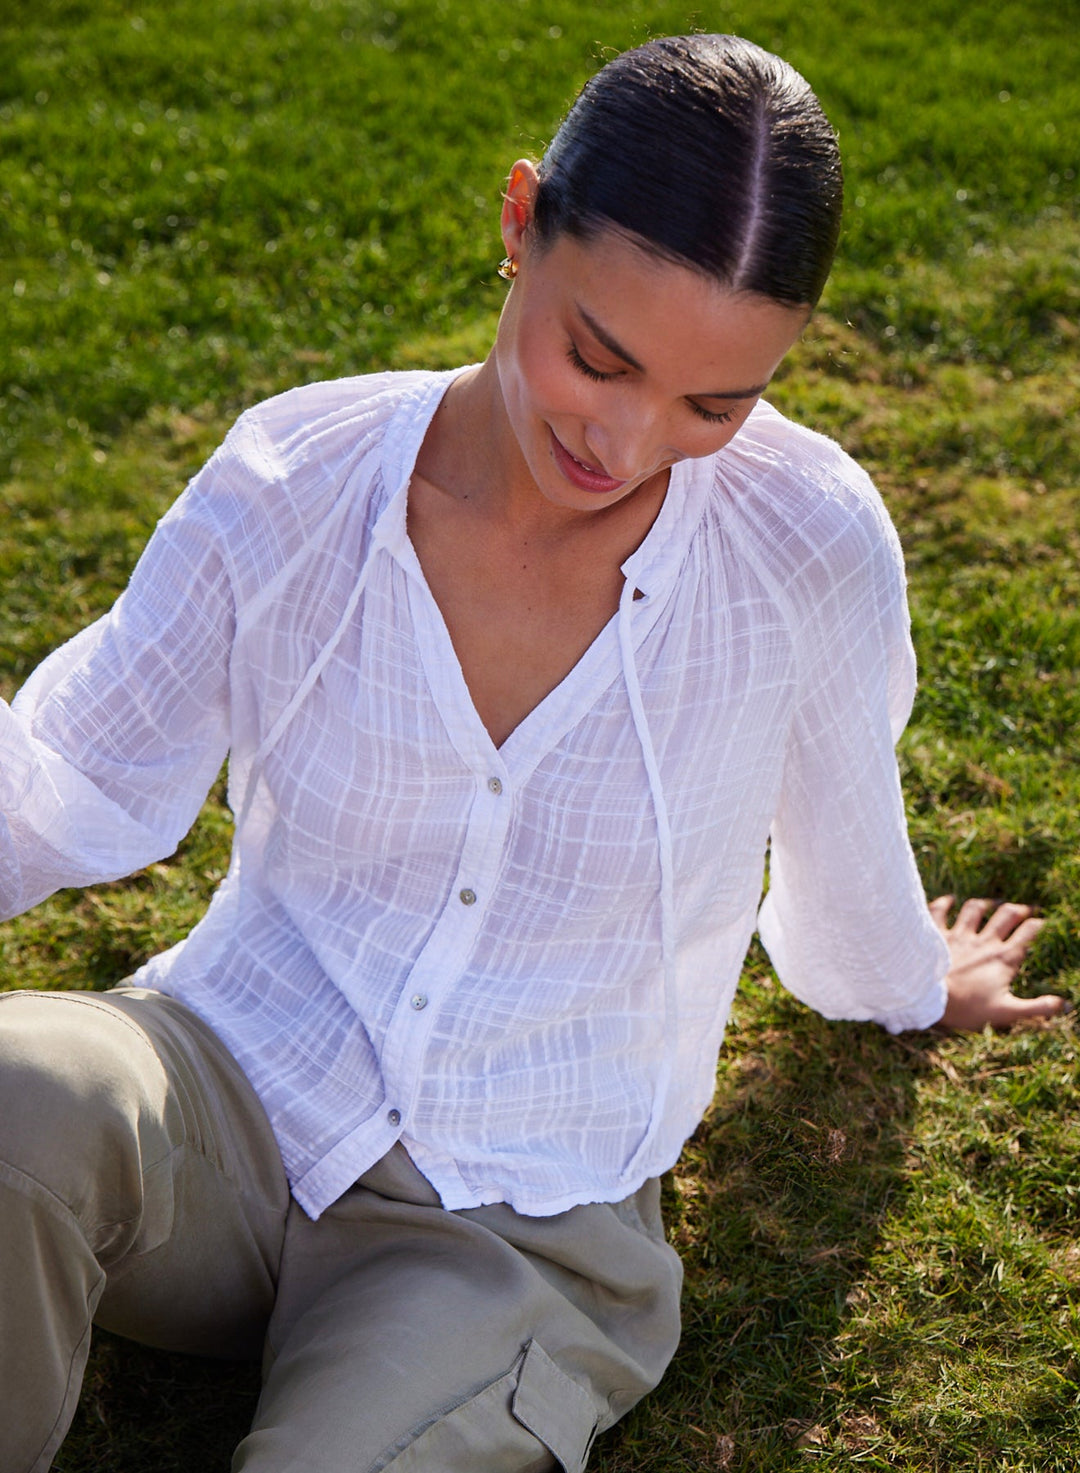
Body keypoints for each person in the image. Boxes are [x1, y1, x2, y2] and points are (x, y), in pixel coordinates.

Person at [0, 33, 1065, 1473]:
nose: (625, 442)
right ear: (519, 225)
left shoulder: (803, 547)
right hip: (227, 1091)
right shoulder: (294, 480)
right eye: (598, 355)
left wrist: (903, 982)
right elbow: (66, 778)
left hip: (517, 1226)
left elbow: (840, 840)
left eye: (714, 402)